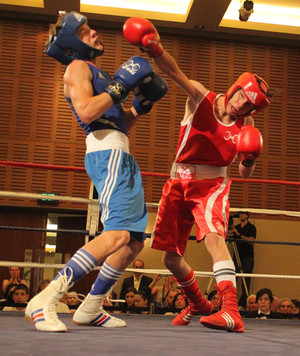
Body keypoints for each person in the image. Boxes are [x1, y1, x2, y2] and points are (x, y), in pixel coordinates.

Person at [123, 17, 271, 333]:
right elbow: (173, 71)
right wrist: (154, 48)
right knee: (169, 259)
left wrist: (250, 158)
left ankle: (231, 309)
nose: (241, 106)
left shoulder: (248, 128)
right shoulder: (201, 97)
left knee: (215, 239)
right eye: (241, 97)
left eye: (248, 106)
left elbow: (244, 174)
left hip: (213, 184)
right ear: (235, 89)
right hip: (178, 181)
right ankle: (199, 304)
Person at [25, 11, 167, 333]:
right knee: (115, 234)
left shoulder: (97, 74)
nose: (94, 33)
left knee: (132, 241)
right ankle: (46, 297)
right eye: (86, 31)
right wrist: (120, 87)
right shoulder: (76, 68)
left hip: (119, 152)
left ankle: (91, 306)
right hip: (107, 155)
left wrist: (137, 108)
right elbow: (87, 113)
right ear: (72, 45)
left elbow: (115, 123)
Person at [232, 211, 257, 308]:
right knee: (232, 281)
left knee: (245, 282)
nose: (240, 216)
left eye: (243, 214)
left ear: (247, 215)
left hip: (247, 258)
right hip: (236, 257)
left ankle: (242, 304)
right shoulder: (236, 227)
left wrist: (239, 235)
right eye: (239, 214)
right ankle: (231, 303)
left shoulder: (251, 227)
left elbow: (252, 241)